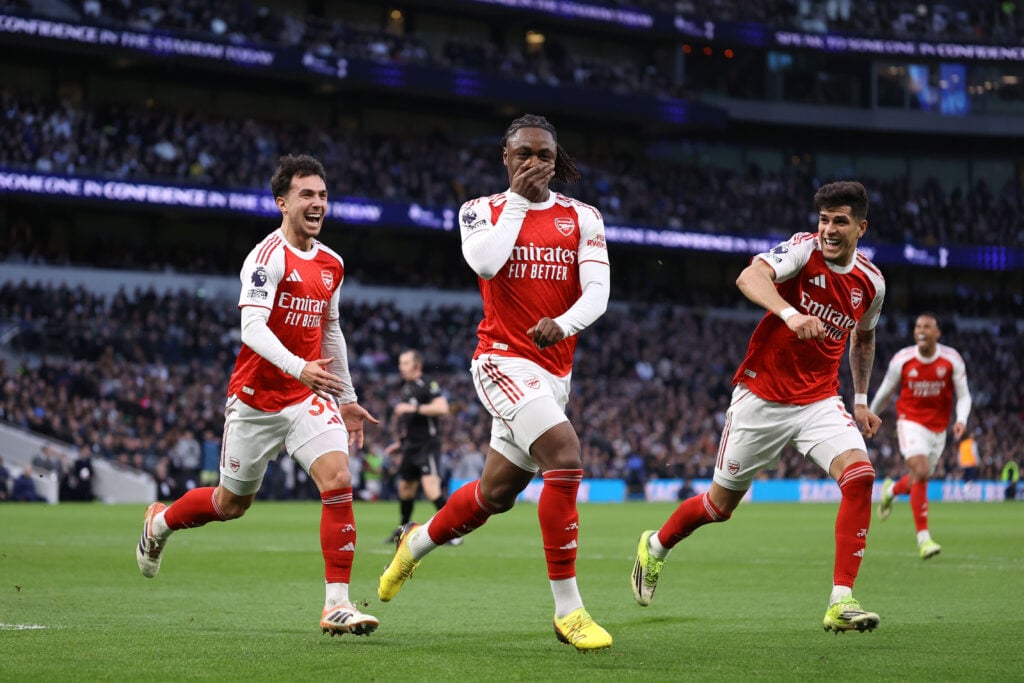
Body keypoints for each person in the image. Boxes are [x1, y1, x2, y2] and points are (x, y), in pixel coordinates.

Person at [377, 113, 612, 650]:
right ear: (506, 158)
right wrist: (517, 203)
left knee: (494, 495)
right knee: (565, 455)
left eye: (545, 156)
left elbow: (597, 292)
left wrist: (566, 323)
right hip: (502, 362)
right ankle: (568, 611)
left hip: (555, 369)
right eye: (524, 154)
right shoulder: (480, 210)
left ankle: (416, 543)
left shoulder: (583, 217)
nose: (535, 164)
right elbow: (485, 264)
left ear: (557, 161)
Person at [135, 154, 381, 638]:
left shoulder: (332, 263)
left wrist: (347, 397)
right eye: (306, 194)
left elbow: (331, 329)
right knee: (230, 505)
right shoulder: (265, 258)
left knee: (338, 479)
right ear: (281, 202)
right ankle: (160, 522)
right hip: (255, 400)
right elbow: (251, 328)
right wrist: (299, 367)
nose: (317, 203)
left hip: (307, 397)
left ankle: (337, 604)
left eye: (323, 195)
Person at [630, 180, 886, 634]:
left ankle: (840, 600)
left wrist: (862, 400)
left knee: (861, 477)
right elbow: (749, 276)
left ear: (861, 227)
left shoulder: (871, 283)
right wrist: (790, 314)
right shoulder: (801, 251)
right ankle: (656, 545)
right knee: (718, 506)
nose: (828, 229)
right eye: (824, 219)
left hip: (820, 400)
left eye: (840, 221)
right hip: (762, 396)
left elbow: (863, 338)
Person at [871, 313, 971, 559]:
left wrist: (961, 420)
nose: (922, 330)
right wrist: (870, 414)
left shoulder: (951, 360)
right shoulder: (903, 360)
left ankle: (892, 491)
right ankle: (924, 539)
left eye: (927, 326)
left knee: (919, 475)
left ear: (937, 333)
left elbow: (964, 395)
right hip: (910, 422)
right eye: (918, 326)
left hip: (938, 429)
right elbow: (885, 391)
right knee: (922, 470)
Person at [383, 349, 455, 544]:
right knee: (405, 488)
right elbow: (412, 423)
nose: (401, 367)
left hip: (427, 446)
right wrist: (400, 443)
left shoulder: (427, 385)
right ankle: (403, 531)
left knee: (431, 489)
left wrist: (412, 408)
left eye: (405, 363)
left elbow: (442, 408)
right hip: (411, 446)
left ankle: (453, 532)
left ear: (417, 366)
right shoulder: (407, 389)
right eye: (400, 363)